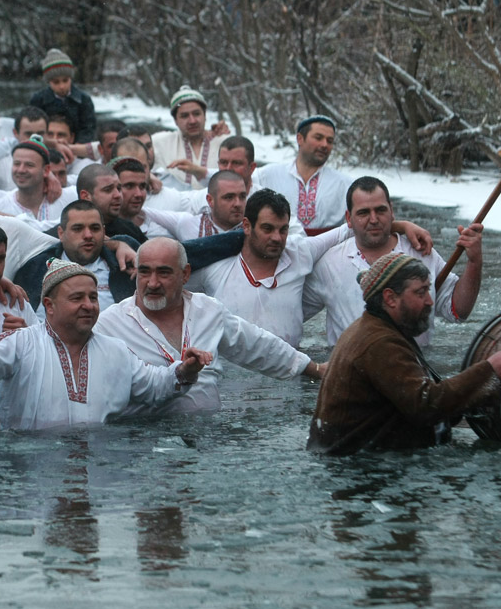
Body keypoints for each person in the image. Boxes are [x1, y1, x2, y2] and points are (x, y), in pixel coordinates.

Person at [0, 258, 211, 430]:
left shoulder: (115, 349)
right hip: (29, 472)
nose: (89, 305)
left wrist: (185, 371)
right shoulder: (22, 342)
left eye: (93, 297)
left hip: (99, 468)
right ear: (49, 306)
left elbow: (154, 385)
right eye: (77, 298)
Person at [95, 238, 319, 415]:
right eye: (144, 272)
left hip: (208, 439)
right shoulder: (110, 324)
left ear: (185, 274)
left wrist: (315, 370)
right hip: (145, 441)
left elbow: (257, 346)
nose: (152, 283)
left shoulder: (208, 310)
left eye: (164, 273)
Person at [307, 253, 501, 455]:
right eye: (421, 292)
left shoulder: (381, 329)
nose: (430, 301)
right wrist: (490, 370)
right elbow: (427, 406)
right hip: (360, 469)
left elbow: (429, 404)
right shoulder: (379, 343)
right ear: (390, 298)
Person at [198, 189, 428, 347]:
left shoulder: (300, 252)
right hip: (233, 382)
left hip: (290, 377)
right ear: (247, 226)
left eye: (283, 229)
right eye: (267, 229)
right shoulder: (215, 269)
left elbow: (349, 229)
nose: (277, 238)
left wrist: (402, 225)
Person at [304, 176, 483, 347]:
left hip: (415, 370)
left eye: (380, 210)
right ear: (349, 219)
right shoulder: (329, 263)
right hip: (353, 374)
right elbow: (292, 315)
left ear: (391, 211)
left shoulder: (421, 252)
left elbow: (458, 311)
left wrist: (474, 262)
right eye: (364, 213)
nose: (373, 219)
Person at [14, 200, 134, 313]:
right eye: (78, 229)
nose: (88, 235)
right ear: (61, 233)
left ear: (103, 231)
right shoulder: (34, 270)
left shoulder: (126, 267)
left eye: (95, 228)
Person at [252, 115, 350, 235]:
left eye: (329, 141)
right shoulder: (267, 175)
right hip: (276, 248)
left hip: (328, 250)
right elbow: (235, 185)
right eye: (318, 138)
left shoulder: (344, 184)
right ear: (300, 139)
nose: (325, 145)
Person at [150, 85, 228, 190]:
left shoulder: (223, 143)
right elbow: (130, 154)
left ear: (205, 115)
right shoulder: (160, 142)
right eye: (184, 116)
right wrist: (148, 176)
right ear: (175, 121)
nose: (192, 121)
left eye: (196, 114)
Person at [28, 49, 96, 144]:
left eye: (65, 80)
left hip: (76, 149)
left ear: (71, 78)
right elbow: (33, 128)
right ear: (48, 82)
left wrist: (77, 147)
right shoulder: (38, 100)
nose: (62, 86)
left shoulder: (84, 100)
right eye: (56, 82)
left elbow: (88, 129)